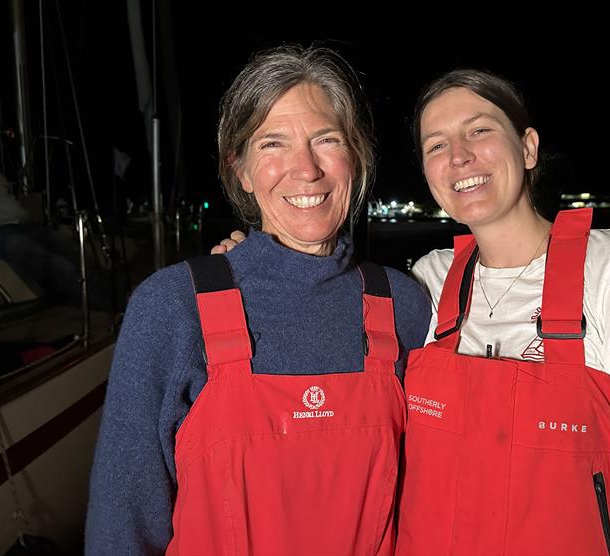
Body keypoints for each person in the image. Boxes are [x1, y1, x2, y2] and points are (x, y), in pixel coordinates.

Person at [214, 68, 610, 554]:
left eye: (479, 131)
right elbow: (332, 336)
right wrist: (261, 269)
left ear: (528, 147)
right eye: (436, 145)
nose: (459, 157)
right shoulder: (427, 283)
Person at [85, 45, 430, 555]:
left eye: (326, 139)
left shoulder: (406, 305)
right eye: (273, 144)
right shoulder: (171, 308)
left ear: (354, 157)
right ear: (241, 170)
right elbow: (123, 520)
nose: (306, 169)